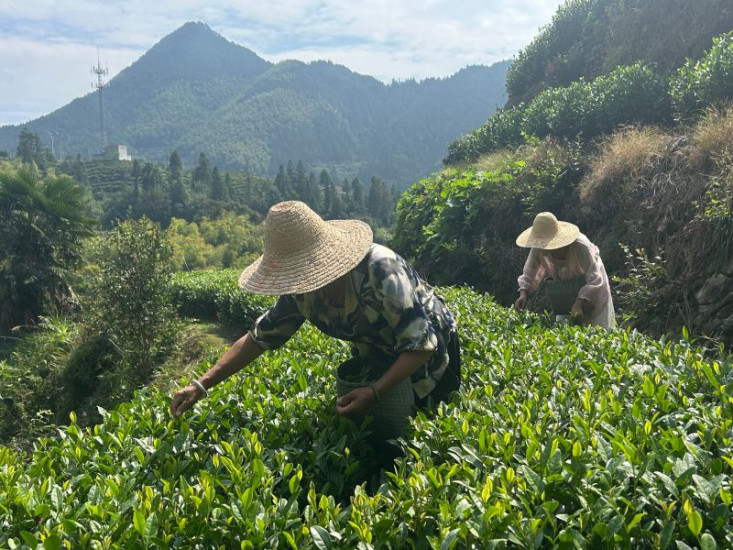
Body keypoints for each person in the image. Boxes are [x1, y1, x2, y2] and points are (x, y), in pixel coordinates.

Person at [170, 200, 460, 427]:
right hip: (378, 351)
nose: (299, 282)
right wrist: (201, 385)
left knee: (426, 425)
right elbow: (259, 338)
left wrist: (375, 391)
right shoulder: (300, 291)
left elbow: (421, 344)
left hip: (430, 350)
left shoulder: (381, 271)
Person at [513, 211, 615, 328]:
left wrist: (579, 304)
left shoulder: (581, 247)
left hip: (594, 294)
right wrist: (523, 293)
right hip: (565, 298)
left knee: (598, 331)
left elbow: (595, 279)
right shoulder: (539, 247)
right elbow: (529, 272)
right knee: (566, 331)